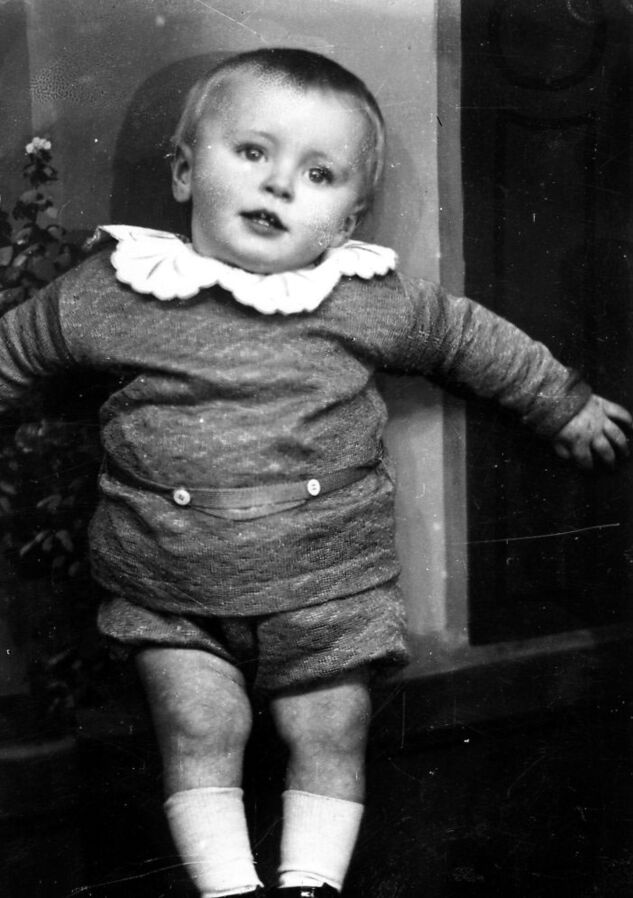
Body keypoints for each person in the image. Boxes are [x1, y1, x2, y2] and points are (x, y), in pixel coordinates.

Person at [0, 47, 630, 898]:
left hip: (328, 588)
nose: (279, 184)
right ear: (185, 171)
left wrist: (559, 401)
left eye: (318, 173)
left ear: (346, 219)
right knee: (199, 724)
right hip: (170, 587)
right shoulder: (115, 289)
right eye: (252, 152)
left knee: (332, 727)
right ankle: (229, 889)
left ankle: (310, 887)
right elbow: (16, 348)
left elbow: (467, 339)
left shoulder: (360, 297)